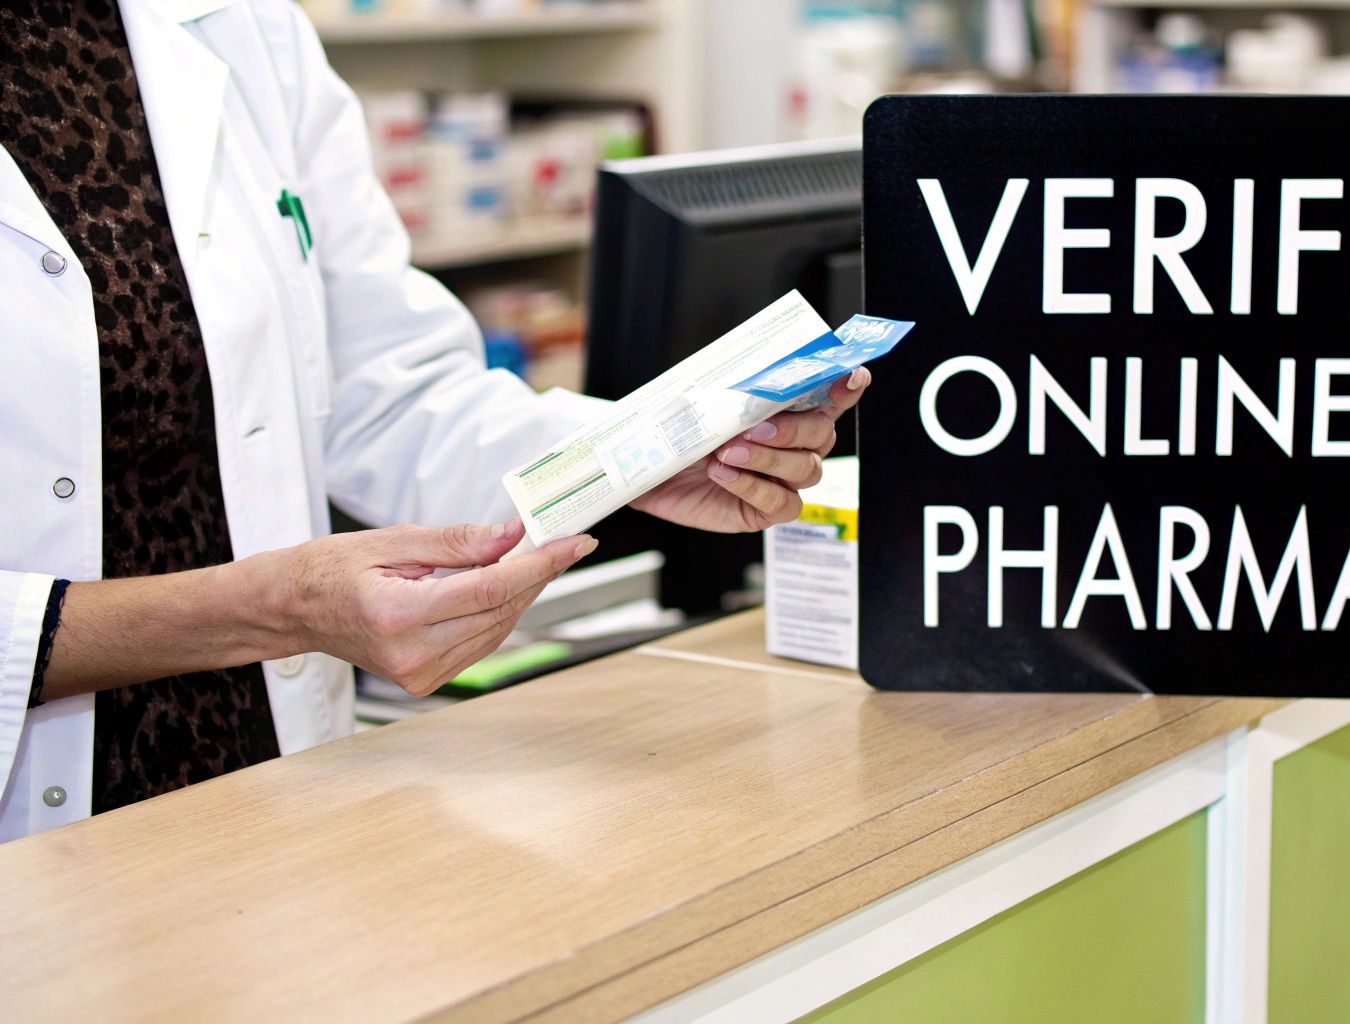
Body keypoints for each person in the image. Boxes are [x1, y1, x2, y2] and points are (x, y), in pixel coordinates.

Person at [0, 0, 868, 841]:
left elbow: (385, 386)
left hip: (255, 784)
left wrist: (634, 457)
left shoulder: (241, 24)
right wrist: (275, 609)